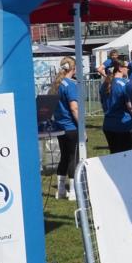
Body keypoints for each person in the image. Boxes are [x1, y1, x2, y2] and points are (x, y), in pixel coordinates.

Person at [50, 56, 79, 200]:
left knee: (64, 157)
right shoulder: (70, 85)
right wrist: (82, 127)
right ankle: (73, 191)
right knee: (73, 158)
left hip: (60, 126)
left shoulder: (56, 84)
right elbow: (74, 108)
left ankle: (61, 190)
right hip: (71, 126)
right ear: (72, 69)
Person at [100, 57, 132, 154]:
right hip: (123, 125)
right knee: (126, 156)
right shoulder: (124, 84)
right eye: (127, 67)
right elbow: (130, 106)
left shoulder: (104, 84)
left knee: (114, 155)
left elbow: (103, 104)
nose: (128, 69)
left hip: (108, 125)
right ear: (120, 68)